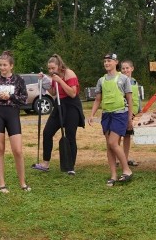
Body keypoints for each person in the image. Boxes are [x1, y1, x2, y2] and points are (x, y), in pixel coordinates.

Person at [0, 51, 30, 193]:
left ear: (11, 66)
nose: (2, 68)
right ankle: (2, 184)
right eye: (0, 65)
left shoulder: (18, 80)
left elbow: (24, 99)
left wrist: (10, 96)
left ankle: (22, 183)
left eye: (5, 65)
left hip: (13, 114)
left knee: (17, 150)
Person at [30, 54, 85, 175]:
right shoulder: (53, 77)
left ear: (59, 66)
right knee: (47, 132)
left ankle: (70, 166)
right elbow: (54, 92)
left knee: (70, 135)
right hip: (59, 104)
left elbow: (72, 93)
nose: (50, 71)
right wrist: (44, 83)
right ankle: (45, 163)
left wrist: (60, 80)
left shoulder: (69, 73)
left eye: (53, 68)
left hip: (72, 105)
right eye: (49, 69)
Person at [87, 53, 134, 186]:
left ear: (116, 62)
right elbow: (98, 99)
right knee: (109, 146)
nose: (106, 63)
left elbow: (129, 99)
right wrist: (92, 114)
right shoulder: (101, 81)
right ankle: (113, 175)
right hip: (107, 115)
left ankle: (127, 170)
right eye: (105, 61)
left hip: (120, 114)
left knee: (113, 143)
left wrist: (130, 118)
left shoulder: (124, 79)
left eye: (109, 61)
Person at [119, 59, 141, 167]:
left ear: (132, 68)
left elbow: (135, 100)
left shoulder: (134, 82)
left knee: (127, 136)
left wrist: (134, 113)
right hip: (121, 112)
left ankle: (125, 158)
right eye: (123, 68)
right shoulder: (119, 81)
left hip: (131, 113)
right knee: (117, 136)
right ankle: (117, 159)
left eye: (127, 68)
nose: (125, 70)